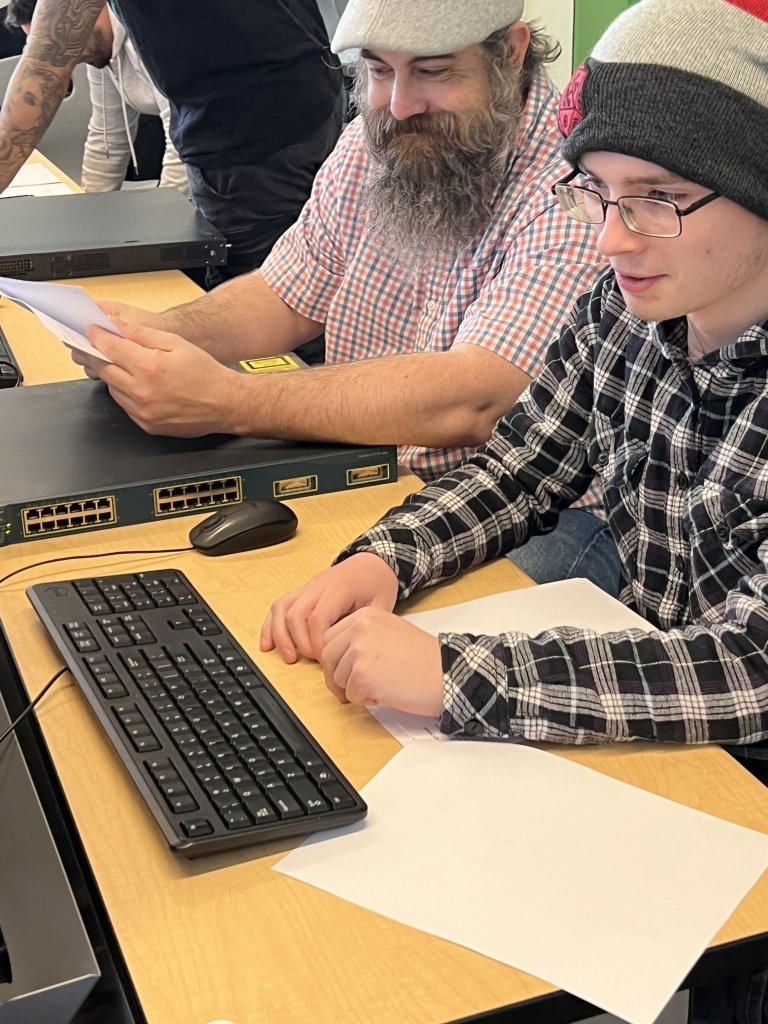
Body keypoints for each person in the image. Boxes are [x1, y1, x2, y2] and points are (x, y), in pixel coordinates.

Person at [262, 0, 768, 759]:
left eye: (657, 199)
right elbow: (523, 469)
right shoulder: (621, 312)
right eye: (596, 190)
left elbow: (752, 666)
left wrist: (458, 674)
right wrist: (387, 556)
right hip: (657, 732)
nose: (610, 237)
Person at [71, 0, 612, 589]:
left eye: (433, 71)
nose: (401, 105)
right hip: (377, 464)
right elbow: (286, 292)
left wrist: (227, 399)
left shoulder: (579, 188)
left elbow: (477, 401)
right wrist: (158, 333)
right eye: (379, 70)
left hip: (533, 508)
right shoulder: (375, 135)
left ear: (510, 53)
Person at [0, 0, 344, 284]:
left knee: (264, 297)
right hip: (310, 92)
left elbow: (45, 62)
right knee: (309, 276)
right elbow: (104, 137)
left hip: (248, 130)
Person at [4, 0, 187, 194]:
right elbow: (107, 139)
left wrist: (166, 214)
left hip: (214, 154)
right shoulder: (99, 49)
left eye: (61, 46)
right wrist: (90, 206)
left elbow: (183, 144)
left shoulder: (155, 34)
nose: (69, 60)